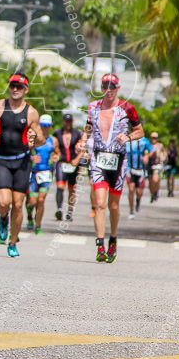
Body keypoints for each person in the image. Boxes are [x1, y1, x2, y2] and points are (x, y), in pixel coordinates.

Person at [75, 73, 144, 263]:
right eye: (105, 86)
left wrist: (129, 137)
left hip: (118, 161)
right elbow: (88, 128)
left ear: (118, 88)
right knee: (99, 204)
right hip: (98, 159)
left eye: (112, 86)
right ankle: (100, 245)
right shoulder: (93, 108)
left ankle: (113, 238)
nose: (108, 90)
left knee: (113, 205)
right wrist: (82, 141)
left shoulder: (127, 108)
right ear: (101, 88)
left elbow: (139, 131)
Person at [0, 72, 46, 258]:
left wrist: (36, 138)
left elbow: (41, 139)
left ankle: (12, 241)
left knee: (18, 204)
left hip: (23, 162)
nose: (15, 89)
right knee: (3, 202)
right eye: (12, 86)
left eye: (19, 86)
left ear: (26, 90)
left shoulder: (31, 112)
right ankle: (3, 218)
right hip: (2, 160)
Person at [26, 114, 55, 234]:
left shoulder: (53, 140)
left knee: (41, 199)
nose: (45, 128)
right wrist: (32, 158)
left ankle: (38, 226)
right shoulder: (34, 138)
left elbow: (57, 153)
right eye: (43, 125)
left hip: (46, 173)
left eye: (47, 125)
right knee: (32, 201)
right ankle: (29, 216)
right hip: (34, 173)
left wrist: (55, 157)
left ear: (51, 126)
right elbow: (25, 152)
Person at [52, 112, 82, 222]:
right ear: (63, 122)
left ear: (72, 122)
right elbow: (53, 146)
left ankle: (70, 211)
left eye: (70, 121)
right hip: (62, 162)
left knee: (72, 189)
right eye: (66, 121)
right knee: (60, 186)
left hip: (73, 163)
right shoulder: (57, 133)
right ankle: (59, 209)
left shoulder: (77, 133)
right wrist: (55, 154)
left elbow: (82, 149)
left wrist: (77, 159)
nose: (68, 124)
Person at [125, 134, 151, 218]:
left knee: (139, 192)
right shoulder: (127, 139)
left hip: (141, 170)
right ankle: (131, 210)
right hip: (130, 169)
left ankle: (138, 201)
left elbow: (152, 150)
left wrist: (147, 156)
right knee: (131, 189)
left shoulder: (144, 140)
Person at [146, 132, 164, 203]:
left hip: (157, 165)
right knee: (150, 182)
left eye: (155, 138)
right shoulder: (148, 145)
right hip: (149, 165)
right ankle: (152, 194)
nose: (154, 139)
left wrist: (163, 158)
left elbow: (164, 153)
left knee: (155, 180)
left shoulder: (160, 146)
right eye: (152, 138)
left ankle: (156, 192)